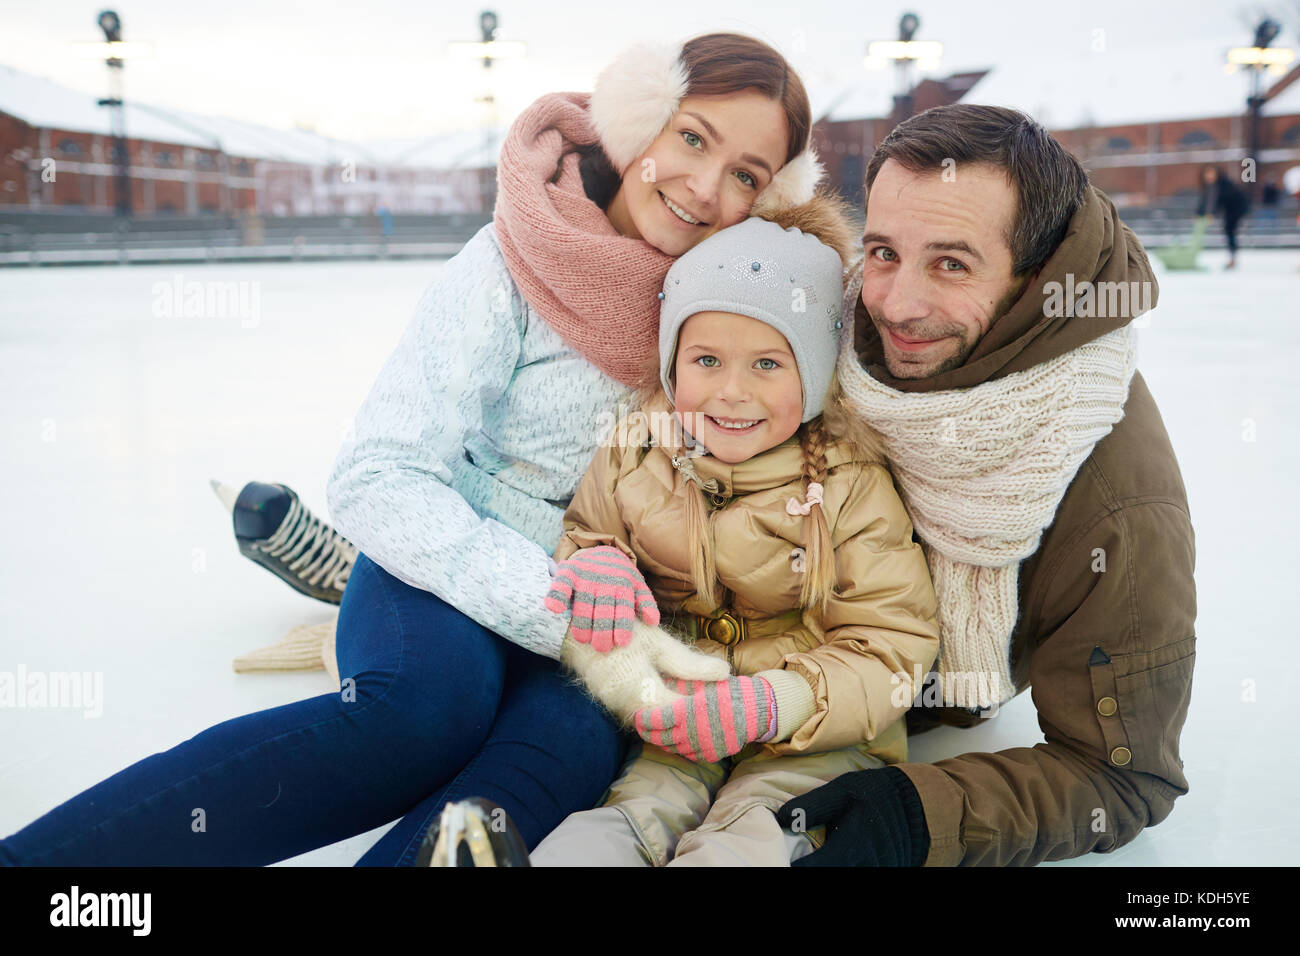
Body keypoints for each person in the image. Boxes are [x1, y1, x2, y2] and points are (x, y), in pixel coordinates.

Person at [0, 33, 824, 867]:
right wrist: (553, 606)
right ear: (641, 119)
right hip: (451, 573)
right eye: (691, 137)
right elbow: (378, 474)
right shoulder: (510, 264)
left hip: (614, 614)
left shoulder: (741, 310)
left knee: (551, 765)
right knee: (421, 715)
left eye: (748, 175)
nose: (706, 187)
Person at [777, 104, 1196, 867]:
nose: (896, 305)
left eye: (951, 263)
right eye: (883, 252)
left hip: (885, 729)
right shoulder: (815, 340)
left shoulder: (1115, 499)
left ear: (1037, 277)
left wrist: (918, 815)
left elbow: (1122, 773)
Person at [526, 204, 941, 866]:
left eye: (768, 364)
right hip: (678, 718)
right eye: (707, 359)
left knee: (755, 827)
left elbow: (893, 643)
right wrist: (598, 566)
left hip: (814, 730)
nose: (731, 392)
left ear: (814, 372)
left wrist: (783, 699)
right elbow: (588, 535)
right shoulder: (636, 449)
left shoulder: (850, 482)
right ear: (671, 362)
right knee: (633, 810)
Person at [1196, 164, 1250, 269]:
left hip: (1236, 208)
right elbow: (1205, 200)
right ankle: (1232, 258)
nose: (1209, 176)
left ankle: (1232, 259)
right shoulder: (1211, 186)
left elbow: (1214, 201)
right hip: (1230, 210)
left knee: (1230, 230)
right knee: (1229, 231)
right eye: (1207, 174)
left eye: (1211, 173)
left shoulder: (1221, 185)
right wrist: (1199, 213)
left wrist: (1210, 214)